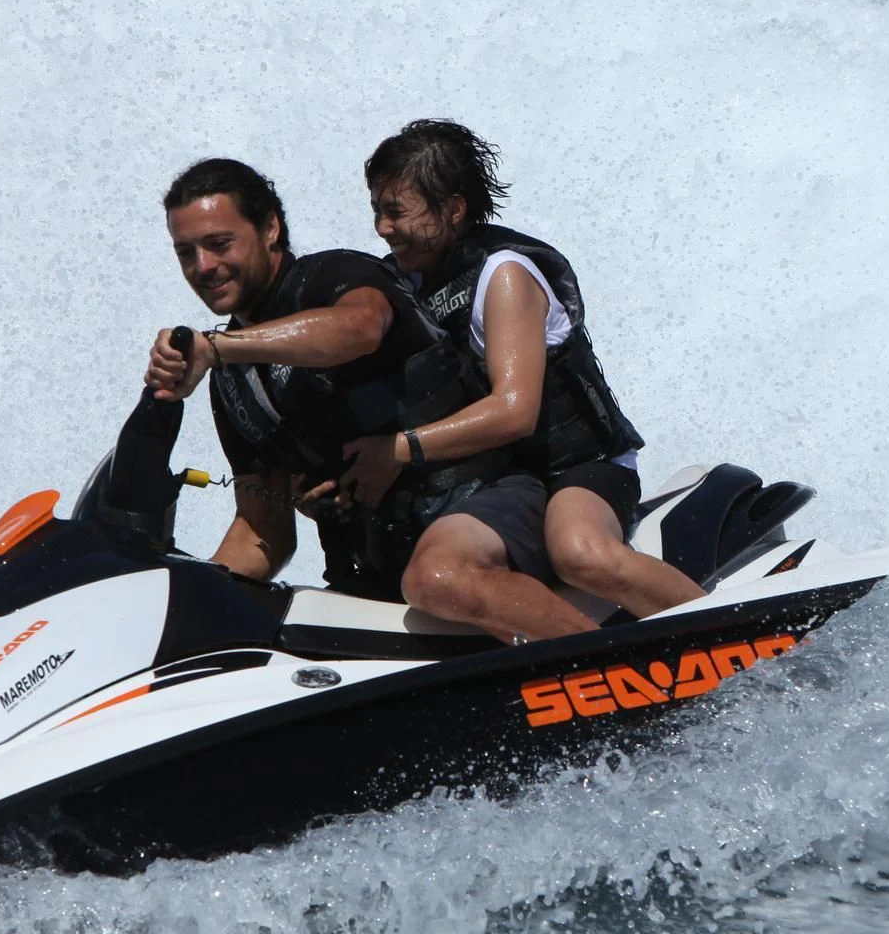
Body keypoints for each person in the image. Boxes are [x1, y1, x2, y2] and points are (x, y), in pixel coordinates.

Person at [331, 120, 702, 635]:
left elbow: (514, 411)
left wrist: (396, 449)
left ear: (453, 210)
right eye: (376, 210)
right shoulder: (411, 281)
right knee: (431, 575)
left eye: (395, 211)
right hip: (505, 482)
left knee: (579, 553)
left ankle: (733, 640)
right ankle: (582, 663)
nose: (382, 228)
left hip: (581, 466)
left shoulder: (503, 275)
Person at [141, 156, 489, 601]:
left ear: (270, 229)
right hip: (374, 581)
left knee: (439, 580)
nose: (203, 266)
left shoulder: (336, 275)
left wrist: (216, 348)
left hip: (475, 524)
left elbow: (360, 328)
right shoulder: (231, 382)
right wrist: (187, 600)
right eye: (186, 252)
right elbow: (261, 531)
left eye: (219, 243)